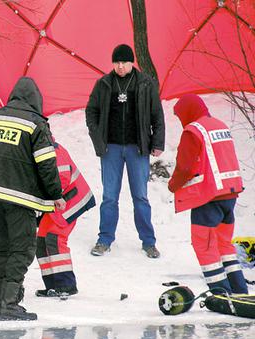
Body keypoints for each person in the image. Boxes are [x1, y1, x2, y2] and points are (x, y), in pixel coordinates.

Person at [0, 76, 64, 321]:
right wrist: (55, 194)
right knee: (21, 249)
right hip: (21, 197)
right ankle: (9, 303)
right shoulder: (36, 124)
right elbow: (46, 165)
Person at [85, 44, 165, 258]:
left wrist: (157, 142)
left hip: (137, 148)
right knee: (110, 196)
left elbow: (157, 115)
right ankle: (104, 239)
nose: (120, 66)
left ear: (132, 63)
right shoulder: (103, 84)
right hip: (110, 148)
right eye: (116, 62)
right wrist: (97, 137)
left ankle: (148, 242)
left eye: (124, 62)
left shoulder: (145, 84)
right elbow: (91, 111)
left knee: (140, 196)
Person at [168, 94, 247, 294]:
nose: (180, 120)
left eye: (180, 116)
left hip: (208, 198)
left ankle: (221, 293)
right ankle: (239, 290)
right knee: (224, 245)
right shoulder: (219, 126)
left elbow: (184, 167)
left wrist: (173, 185)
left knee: (203, 245)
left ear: (188, 111)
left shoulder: (193, 131)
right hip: (230, 195)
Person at [35, 138, 95, 297]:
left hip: (70, 200)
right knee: (41, 240)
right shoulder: (39, 150)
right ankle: (52, 285)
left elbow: (61, 180)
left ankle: (67, 285)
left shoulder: (54, 151)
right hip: (57, 202)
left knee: (55, 238)